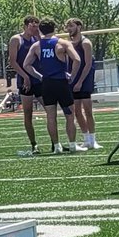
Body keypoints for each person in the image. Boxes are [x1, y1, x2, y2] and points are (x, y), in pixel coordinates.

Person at [23, 18, 84, 153]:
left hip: (47, 84)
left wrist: (39, 76)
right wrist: (71, 76)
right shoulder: (63, 43)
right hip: (61, 83)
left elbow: (26, 65)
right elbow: (77, 60)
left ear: (40, 30)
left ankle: (57, 146)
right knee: (69, 115)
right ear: (54, 28)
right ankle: (72, 144)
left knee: (51, 116)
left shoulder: (37, 46)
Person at [8, 16, 42, 155]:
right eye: (32, 26)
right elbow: (13, 61)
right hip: (25, 80)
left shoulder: (37, 39)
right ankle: (34, 144)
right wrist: (25, 76)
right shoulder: (16, 39)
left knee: (50, 109)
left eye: (36, 26)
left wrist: (39, 36)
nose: (34, 28)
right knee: (28, 113)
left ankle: (55, 142)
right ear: (26, 26)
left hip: (38, 78)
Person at [66, 18, 100, 149]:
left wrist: (80, 81)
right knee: (77, 111)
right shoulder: (69, 43)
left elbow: (88, 64)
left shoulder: (86, 43)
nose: (69, 29)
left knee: (88, 110)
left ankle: (93, 139)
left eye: (72, 26)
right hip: (73, 79)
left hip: (84, 80)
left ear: (79, 27)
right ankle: (86, 138)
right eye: (67, 26)